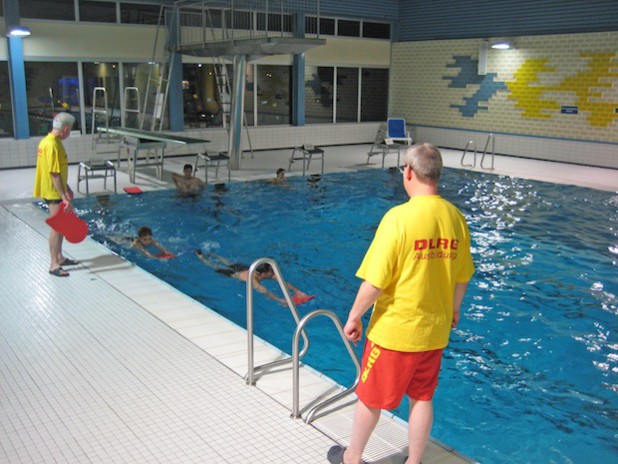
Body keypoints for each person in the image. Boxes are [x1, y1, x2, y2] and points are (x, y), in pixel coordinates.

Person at [327, 143, 475, 464]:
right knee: (422, 397)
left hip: (395, 334)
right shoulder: (455, 218)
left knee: (370, 398)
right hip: (434, 332)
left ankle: (352, 458)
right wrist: (454, 310)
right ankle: (414, 461)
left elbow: (375, 282)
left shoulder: (398, 218)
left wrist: (354, 316)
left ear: (409, 172)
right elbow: (462, 276)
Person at [33, 112, 78, 277]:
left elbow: (57, 170)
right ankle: (53, 264)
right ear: (65, 129)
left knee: (61, 225)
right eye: (70, 130)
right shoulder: (52, 145)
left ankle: (59, 257)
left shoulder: (49, 141)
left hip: (54, 188)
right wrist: (64, 197)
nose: (69, 133)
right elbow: (54, 173)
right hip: (52, 191)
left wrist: (66, 187)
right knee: (57, 227)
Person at [195, 250, 310, 304]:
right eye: (271, 270)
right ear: (265, 273)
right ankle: (202, 257)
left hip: (242, 267)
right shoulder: (253, 280)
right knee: (215, 266)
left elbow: (283, 282)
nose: (274, 272)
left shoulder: (265, 272)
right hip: (235, 274)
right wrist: (282, 300)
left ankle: (213, 253)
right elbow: (265, 292)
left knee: (229, 263)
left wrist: (298, 291)